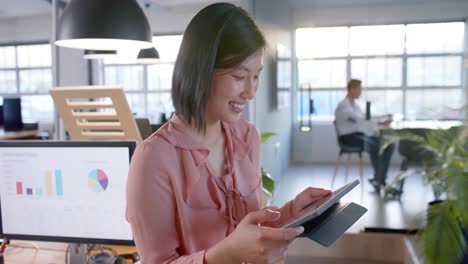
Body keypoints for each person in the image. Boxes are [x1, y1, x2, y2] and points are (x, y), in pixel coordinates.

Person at [126, 3, 331, 263]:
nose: (250, 92)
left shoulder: (248, 137)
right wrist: (222, 255)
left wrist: (292, 212)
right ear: (201, 71)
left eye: (256, 76)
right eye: (239, 76)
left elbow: (250, 231)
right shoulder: (153, 158)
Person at [334, 79, 394, 192]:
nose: (360, 92)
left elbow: (366, 117)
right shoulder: (343, 106)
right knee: (376, 146)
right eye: (359, 89)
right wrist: (380, 122)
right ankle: (379, 180)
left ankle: (379, 179)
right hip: (348, 138)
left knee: (388, 145)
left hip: (358, 135)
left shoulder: (355, 105)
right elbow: (361, 120)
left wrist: (381, 118)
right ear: (352, 89)